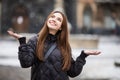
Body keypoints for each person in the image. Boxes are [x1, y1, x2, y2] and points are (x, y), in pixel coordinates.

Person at [7, 11, 101, 80]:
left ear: (61, 27)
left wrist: (83, 56)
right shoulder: (35, 40)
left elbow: (72, 72)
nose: (54, 19)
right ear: (48, 20)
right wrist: (22, 42)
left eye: (58, 19)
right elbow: (25, 63)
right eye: (52, 17)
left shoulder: (64, 46)